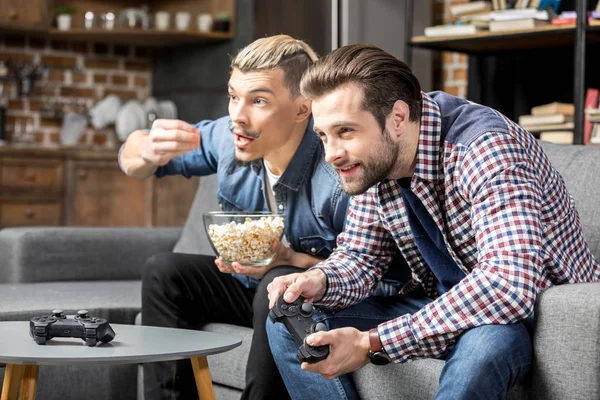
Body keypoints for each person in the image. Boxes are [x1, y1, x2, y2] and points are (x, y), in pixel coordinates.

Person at [266, 43, 600, 400]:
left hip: (528, 314)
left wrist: (372, 342)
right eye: (323, 135)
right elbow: (361, 257)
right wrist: (320, 280)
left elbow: (507, 285)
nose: (331, 154)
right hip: (445, 304)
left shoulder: (485, 148)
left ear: (397, 117)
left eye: (345, 131)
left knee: (481, 350)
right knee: (291, 323)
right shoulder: (374, 162)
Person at [118, 35, 352, 400]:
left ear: (303, 108)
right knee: (164, 272)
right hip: (249, 290)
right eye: (233, 96)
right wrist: (145, 148)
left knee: (280, 282)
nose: (237, 116)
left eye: (258, 100)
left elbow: (378, 276)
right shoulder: (230, 140)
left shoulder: (337, 172)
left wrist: (293, 260)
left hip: (317, 302)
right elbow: (131, 160)